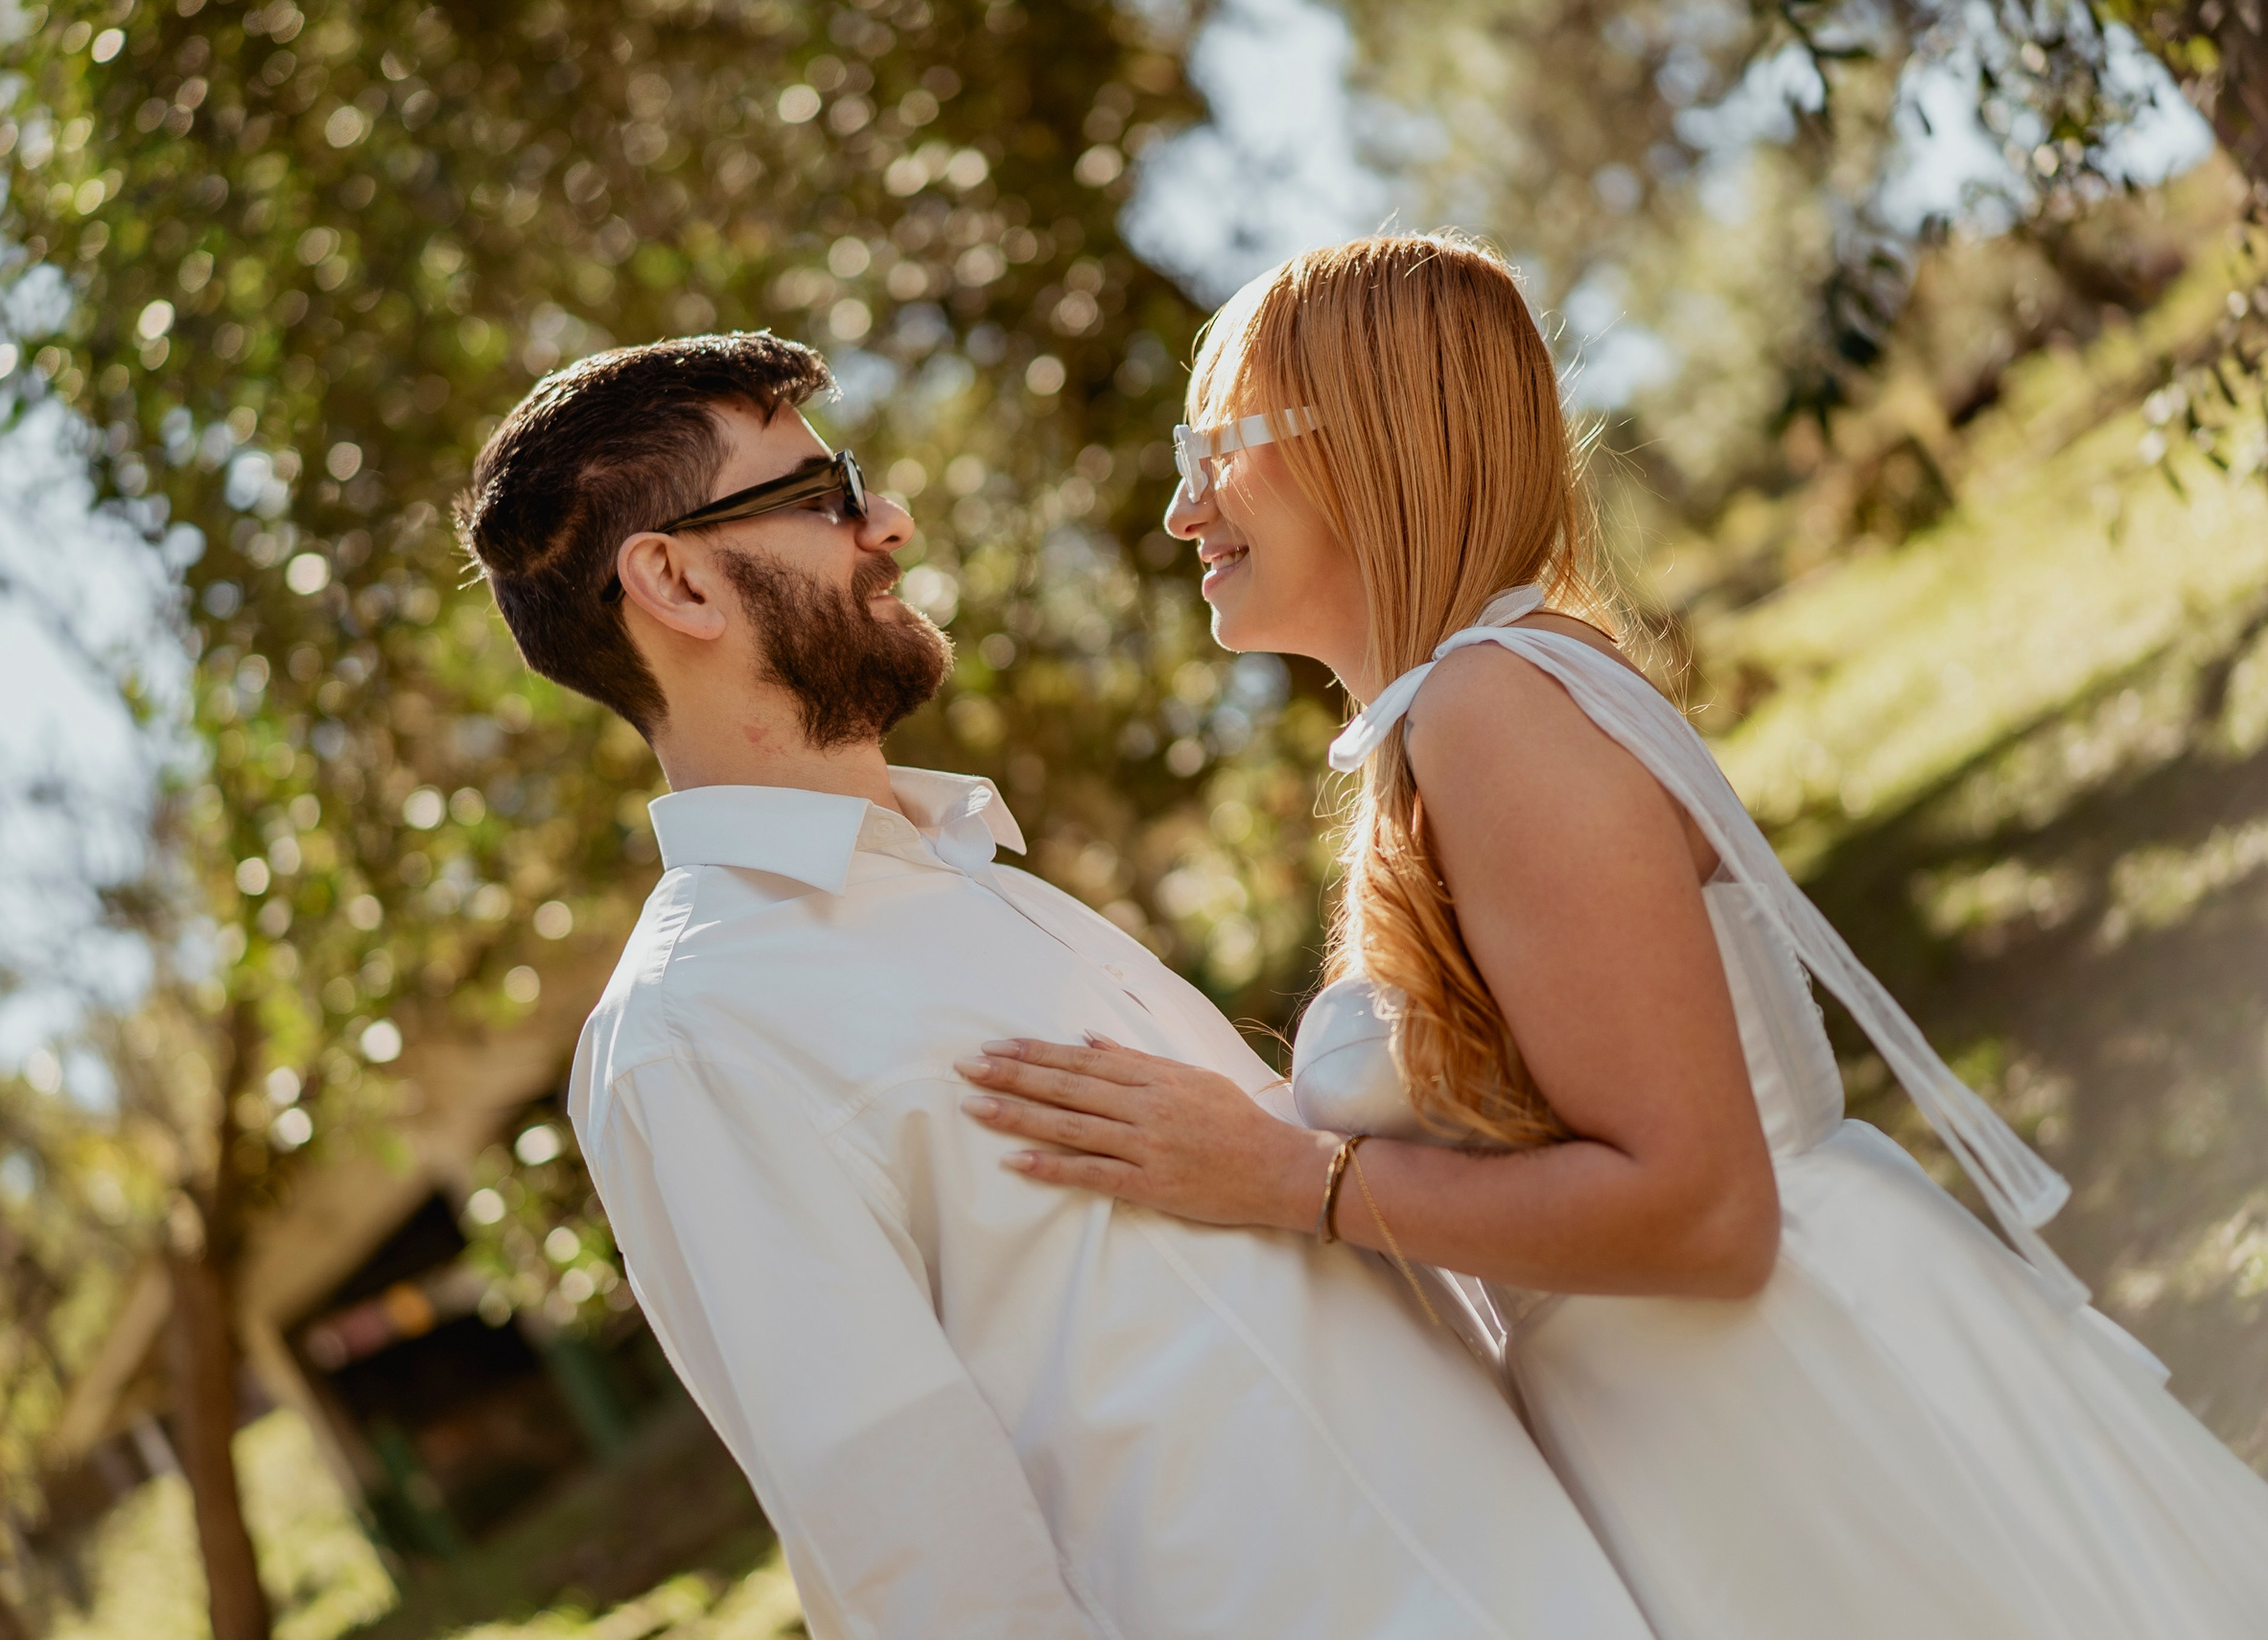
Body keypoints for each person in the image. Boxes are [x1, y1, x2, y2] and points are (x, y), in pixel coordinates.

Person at [959, 232, 2268, 1640]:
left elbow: (1703, 1213)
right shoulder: (1462, 711)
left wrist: (1291, 1176)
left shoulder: (1494, 712)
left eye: (1218, 447)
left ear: (1375, 442)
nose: (1181, 510)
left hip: (1801, 1424)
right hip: (1703, 1419)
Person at [453, 333, 1654, 1640]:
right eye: (824, 493)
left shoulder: (986, 880)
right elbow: (923, 1567)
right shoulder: (692, 1036)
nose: (887, 521)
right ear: (678, 580)